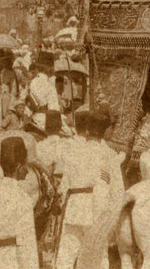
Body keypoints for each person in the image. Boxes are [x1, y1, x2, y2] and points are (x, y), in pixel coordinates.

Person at [54, 106, 124, 269]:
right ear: (105, 132)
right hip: (96, 210)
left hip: (74, 209)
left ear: (87, 130)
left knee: (65, 258)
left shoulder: (73, 152)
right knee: (99, 260)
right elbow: (118, 192)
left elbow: (63, 187)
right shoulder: (109, 155)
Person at [0, 137, 39, 269]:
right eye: (26, 165)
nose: (27, 170)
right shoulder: (22, 198)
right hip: (13, 261)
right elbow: (27, 244)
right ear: (19, 167)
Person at [27, 52, 60, 132]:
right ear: (48, 68)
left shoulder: (34, 81)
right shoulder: (48, 84)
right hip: (48, 121)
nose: (54, 69)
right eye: (53, 66)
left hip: (35, 118)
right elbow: (53, 108)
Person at [36, 110, 67, 177]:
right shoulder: (68, 144)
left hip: (48, 181)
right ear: (60, 127)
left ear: (45, 128)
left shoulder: (39, 146)